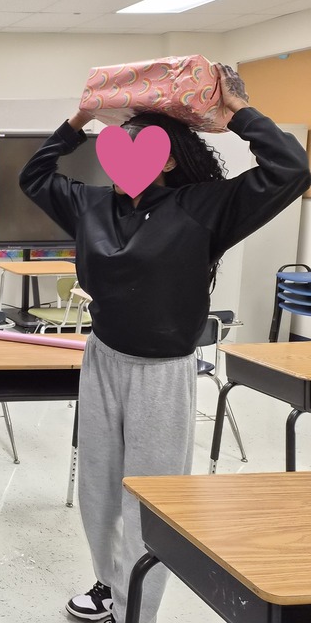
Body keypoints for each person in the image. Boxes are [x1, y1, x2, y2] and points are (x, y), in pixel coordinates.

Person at [19, 64, 310, 623]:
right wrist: (79, 118)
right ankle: (110, 583)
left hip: (163, 370)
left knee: (149, 496)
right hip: (103, 358)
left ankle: (137, 610)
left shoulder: (206, 208)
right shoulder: (92, 205)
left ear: (168, 157)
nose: (115, 154)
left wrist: (239, 113)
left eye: (130, 144)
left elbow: (290, 168)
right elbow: (35, 177)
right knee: (100, 490)